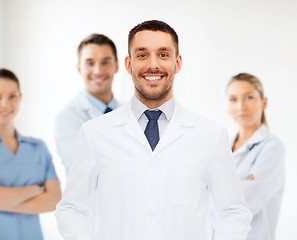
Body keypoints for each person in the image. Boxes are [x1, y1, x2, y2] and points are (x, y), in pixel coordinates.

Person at [55, 20, 252, 240]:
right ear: (128, 65)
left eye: (163, 54)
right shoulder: (94, 134)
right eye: (142, 55)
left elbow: (233, 212)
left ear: (177, 63)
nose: (153, 65)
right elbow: (72, 208)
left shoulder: (210, 135)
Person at [0, 69, 61, 240]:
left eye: (12, 96)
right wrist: (34, 190)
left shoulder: (38, 148)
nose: (5, 104)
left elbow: (55, 200)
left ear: (20, 98)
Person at [225, 73, 285, 240]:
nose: (241, 106)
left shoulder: (272, 148)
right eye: (233, 99)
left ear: (264, 102)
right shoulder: (221, 148)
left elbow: (244, 204)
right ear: (228, 107)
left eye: (249, 97)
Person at [54, 33, 120, 174]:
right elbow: (86, 172)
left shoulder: (132, 112)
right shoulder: (67, 118)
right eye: (90, 63)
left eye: (105, 62)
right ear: (79, 68)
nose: (98, 71)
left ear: (116, 66)